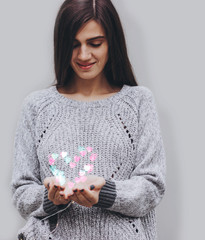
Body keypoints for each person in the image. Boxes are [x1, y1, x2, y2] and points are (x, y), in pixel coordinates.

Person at [11, 0, 167, 239]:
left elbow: (152, 187)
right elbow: (22, 193)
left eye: (95, 43)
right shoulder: (37, 106)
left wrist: (107, 193)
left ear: (112, 42)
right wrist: (50, 198)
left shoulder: (138, 102)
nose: (84, 55)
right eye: (73, 45)